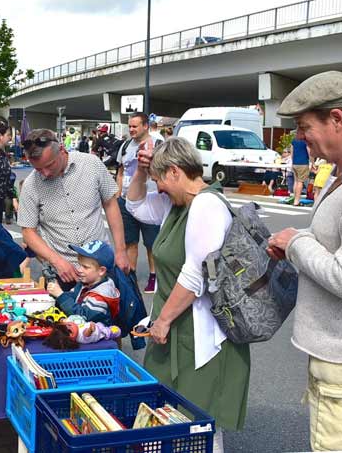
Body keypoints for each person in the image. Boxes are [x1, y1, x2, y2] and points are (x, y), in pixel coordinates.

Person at [126, 136, 250, 453]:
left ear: (176, 172)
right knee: (164, 418)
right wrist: (141, 172)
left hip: (200, 334)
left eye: (159, 180)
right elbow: (135, 205)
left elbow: (196, 273)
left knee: (199, 426)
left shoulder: (206, 206)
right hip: (178, 329)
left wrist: (163, 320)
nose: (160, 189)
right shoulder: (178, 206)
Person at [267, 71, 342, 452]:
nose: (300, 138)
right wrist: (300, 243)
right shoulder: (335, 175)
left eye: (304, 126)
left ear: (337, 119)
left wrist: (295, 241)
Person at [17, 128, 130, 292]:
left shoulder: (91, 164)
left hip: (100, 268)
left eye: (49, 165)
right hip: (63, 272)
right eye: (39, 169)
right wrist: (57, 261)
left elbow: (111, 204)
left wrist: (121, 251)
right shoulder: (31, 184)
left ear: (62, 150)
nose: (45, 173)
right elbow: (28, 231)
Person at [116, 112, 160, 293]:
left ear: (145, 126)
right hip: (126, 200)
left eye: (135, 126)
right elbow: (120, 171)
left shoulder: (157, 144)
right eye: (130, 126)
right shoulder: (125, 145)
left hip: (149, 199)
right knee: (130, 242)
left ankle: (153, 276)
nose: (132, 129)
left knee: (152, 243)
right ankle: (130, 277)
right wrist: (118, 194)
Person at [46, 240, 120, 326]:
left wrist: (60, 295)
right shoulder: (86, 283)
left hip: (95, 336)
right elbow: (74, 296)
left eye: (85, 267)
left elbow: (83, 317)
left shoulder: (101, 295)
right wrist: (56, 292)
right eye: (79, 265)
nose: (79, 270)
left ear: (101, 271)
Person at [291, 136, 311, 205]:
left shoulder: (294, 140)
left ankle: (294, 198)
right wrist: (312, 161)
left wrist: (292, 161)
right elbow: (309, 151)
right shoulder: (305, 140)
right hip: (303, 163)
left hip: (295, 163)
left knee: (296, 181)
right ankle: (296, 201)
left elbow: (292, 152)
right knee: (300, 182)